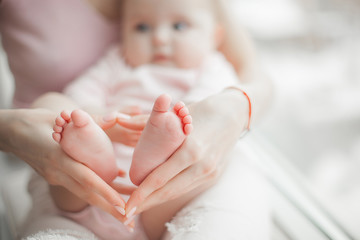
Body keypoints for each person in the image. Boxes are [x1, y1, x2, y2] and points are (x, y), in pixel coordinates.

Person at [0, 0, 272, 239]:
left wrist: (184, 117)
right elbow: (81, 93)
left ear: (214, 36)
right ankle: (93, 154)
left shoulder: (211, 67)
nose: (159, 38)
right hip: (90, 188)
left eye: (179, 26)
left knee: (188, 148)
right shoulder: (117, 61)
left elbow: (214, 102)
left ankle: (160, 147)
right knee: (51, 103)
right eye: (142, 28)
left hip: (165, 198)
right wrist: (100, 121)